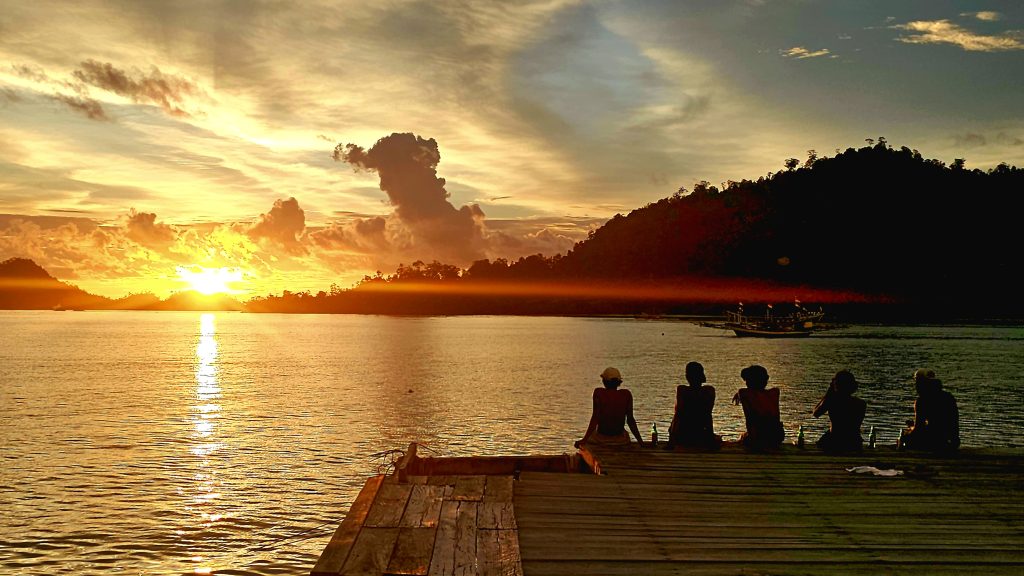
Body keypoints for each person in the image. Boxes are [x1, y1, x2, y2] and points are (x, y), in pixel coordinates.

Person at [575, 367, 646, 448]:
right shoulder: (626, 394)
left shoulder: (599, 393)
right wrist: (641, 442)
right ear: (619, 382)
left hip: (601, 439)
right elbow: (630, 420)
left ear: (604, 381)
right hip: (620, 440)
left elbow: (595, 418)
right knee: (625, 434)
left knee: (590, 439)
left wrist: (584, 440)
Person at [666, 361, 722, 450]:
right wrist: (710, 438)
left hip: (683, 434)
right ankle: (709, 439)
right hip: (700, 434)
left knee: (678, 414)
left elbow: (678, 415)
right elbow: (708, 415)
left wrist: (671, 440)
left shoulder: (682, 390)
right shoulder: (709, 390)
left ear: (688, 376)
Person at [902, 368, 960, 451]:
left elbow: (919, 429)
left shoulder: (922, 401)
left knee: (906, 438)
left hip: (934, 442)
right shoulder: (948, 397)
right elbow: (952, 423)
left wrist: (908, 433)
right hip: (952, 442)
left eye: (918, 383)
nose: (916, 386)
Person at [812, 370, 866, 452]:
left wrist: (828, 393)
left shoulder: (832, 401)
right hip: (855, 442)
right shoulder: (861, 403)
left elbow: (816, 413)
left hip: (835, 442)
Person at [732, 365, 784, 450]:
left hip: (758, 437)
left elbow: (749, 419)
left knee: (743, 437)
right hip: (778, 436)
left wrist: (739, 394)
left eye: (746, 381)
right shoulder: (775, 392)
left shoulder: (744, 393)